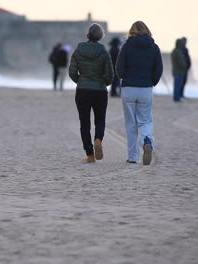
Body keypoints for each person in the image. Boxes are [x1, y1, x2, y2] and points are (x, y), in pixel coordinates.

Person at [116, 21, 163, 165]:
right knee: (145, 120)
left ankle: (132, 157)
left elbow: (119, 68)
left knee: (131, 124)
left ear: (132, 31)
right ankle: (147, 140)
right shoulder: (154, 48)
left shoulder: (126, 46)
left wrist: (124, 78)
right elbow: (158, 69)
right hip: (145, 88)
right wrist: (152, 82)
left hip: (129, 88)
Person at [69, 23, 114, 163]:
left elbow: (71, 72)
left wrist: (81, 81)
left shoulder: (78, 50)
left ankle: (90, 155)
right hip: (99, 91)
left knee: (84, 124)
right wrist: (103, 83)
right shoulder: (103, 52)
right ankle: (98, 140)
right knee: (100, 120)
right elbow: (110, 75)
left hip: (82, 91)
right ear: (100, 36)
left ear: (88, 35)